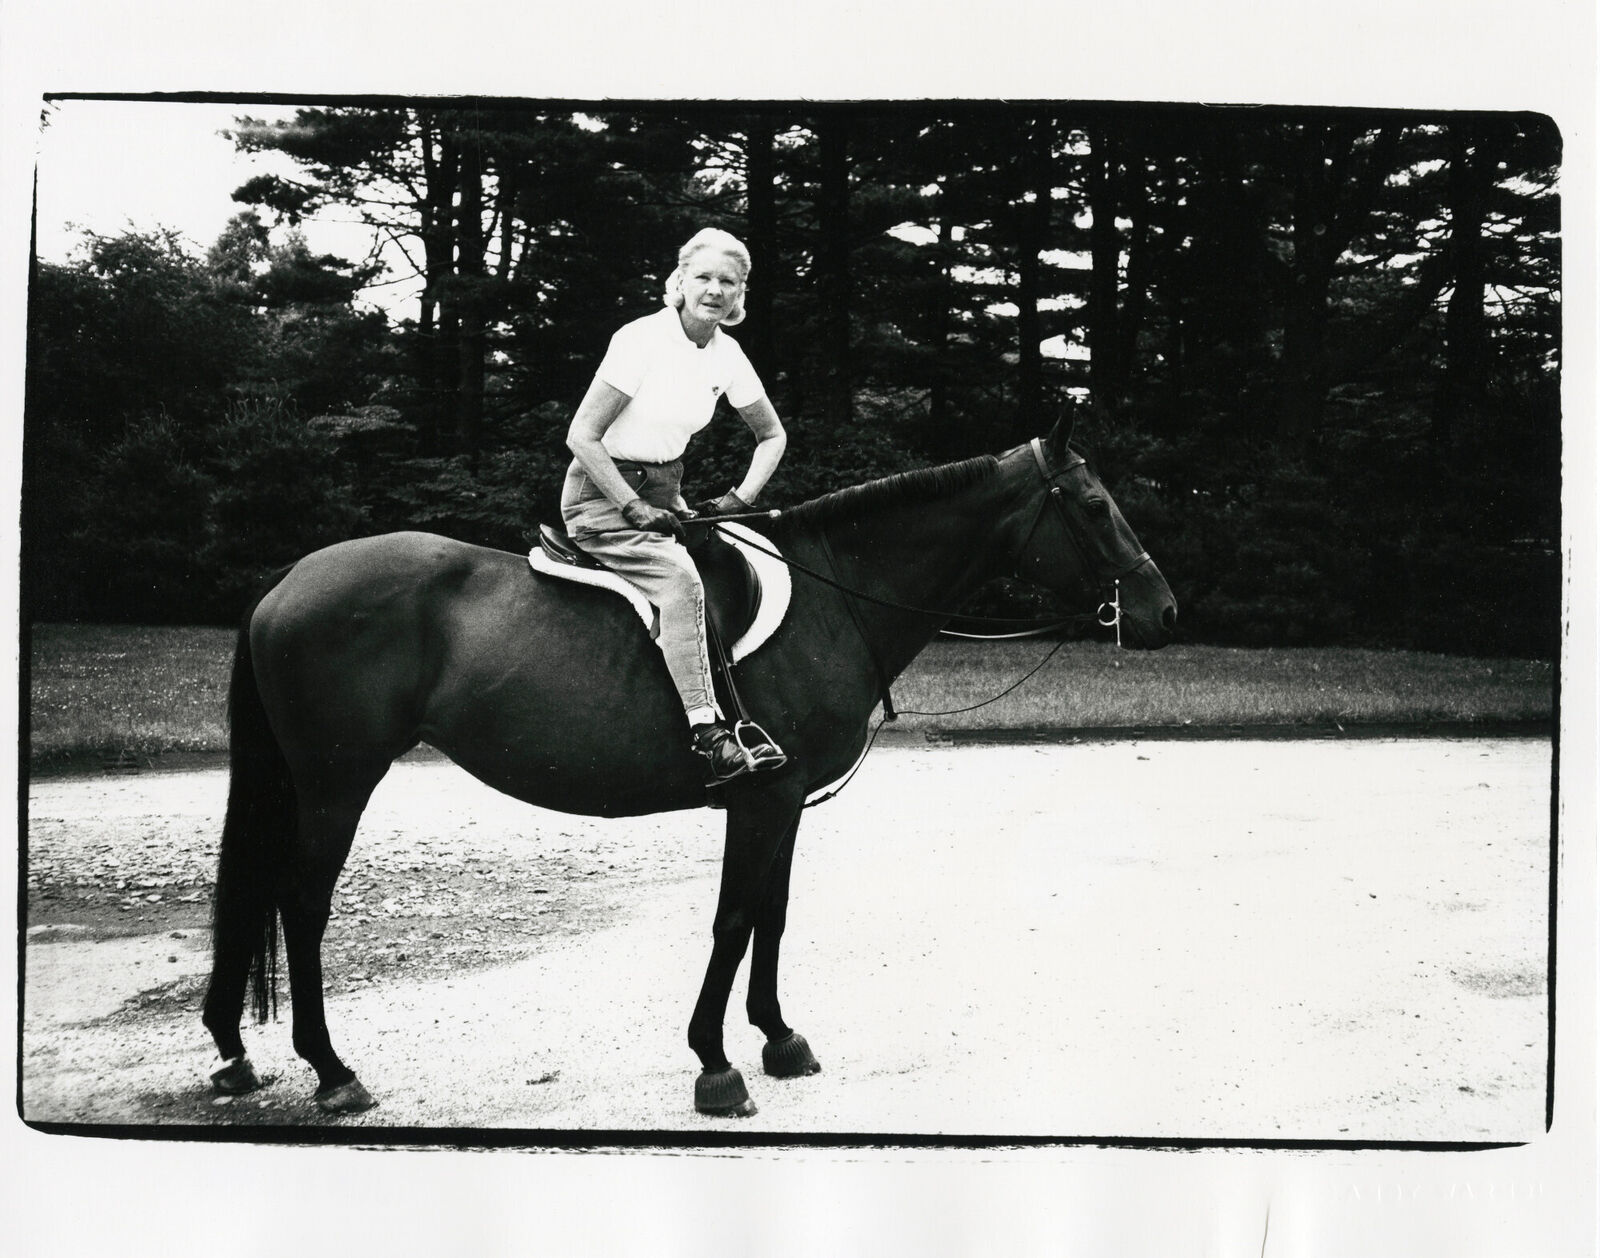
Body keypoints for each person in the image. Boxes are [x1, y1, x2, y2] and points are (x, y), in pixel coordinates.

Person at [562, 228, 789, 784]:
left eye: (727, 282)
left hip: (668, 496)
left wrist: (740, 499)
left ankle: (745, 708)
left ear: (740, 295)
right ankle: (707, 735)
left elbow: (772, 436)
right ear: (680, 280)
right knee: (683, 584)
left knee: (736, 563)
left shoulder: (727, 355)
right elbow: (582, 437)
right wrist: (633, 506)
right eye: (704, 277)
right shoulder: (641, 339)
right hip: (602, 499)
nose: (714, 290)